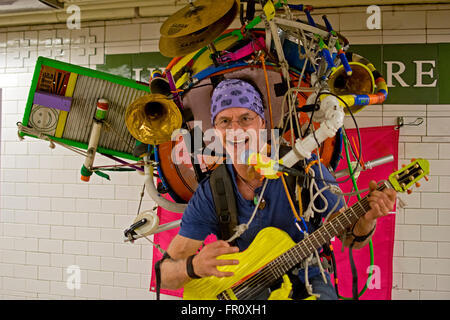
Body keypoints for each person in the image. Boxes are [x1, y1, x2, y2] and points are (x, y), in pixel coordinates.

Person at [158, 78, 397, 300]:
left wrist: (367, 220)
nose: (236, 129)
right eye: (225, 121)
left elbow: (350, 239)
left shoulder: (307, 169)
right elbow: (164, 276)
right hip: (243, 288)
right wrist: (194, 266)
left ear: (262, 123)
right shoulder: (212, 190)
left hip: (308, 281)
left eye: (245, 118)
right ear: (215, 131)